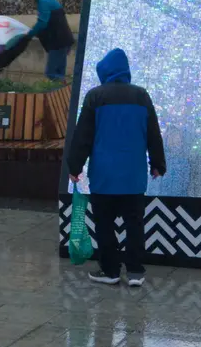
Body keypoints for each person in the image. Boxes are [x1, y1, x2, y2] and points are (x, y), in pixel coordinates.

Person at [66, 48, 166, 287]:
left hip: (104, 174)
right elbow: (153, 133)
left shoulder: (95, 97)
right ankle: (135, 272)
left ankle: (110, 271)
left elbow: (83, 136)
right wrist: (158, 163)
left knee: (104, 225)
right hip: (133, 175)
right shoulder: (142, 96)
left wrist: (75, 165)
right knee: (135, 224)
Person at [26, 0, 76, 82]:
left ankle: (65, 86)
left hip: (57, 42)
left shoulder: (43, 1)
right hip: (64, 40)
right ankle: (63, 94)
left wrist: (30, 34)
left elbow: (42, 22)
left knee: (51, 73)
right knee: (59, 72)